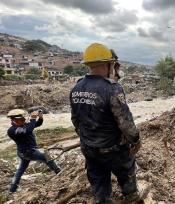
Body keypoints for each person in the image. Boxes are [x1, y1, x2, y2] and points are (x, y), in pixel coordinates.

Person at [70, 43, 145, 203]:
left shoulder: (76, 88)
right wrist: (136, 140)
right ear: (109, 64)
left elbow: (76, 120)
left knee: (99, 184)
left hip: (89, 149)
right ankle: (131, 198)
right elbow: (125, 122)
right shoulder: (112, 89)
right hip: (113, 150)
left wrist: (88, 139)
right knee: (126, 173)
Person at [7, 109, 61, 193]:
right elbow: (28, 130)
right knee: (47, 157)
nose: (24, 120)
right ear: (14, 120)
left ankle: (12, 189)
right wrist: (32, 118)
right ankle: (59, 173)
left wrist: (40, 118)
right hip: (28, 152)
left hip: (23, 152)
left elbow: (36, 124)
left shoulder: (23, 125)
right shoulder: (12, 130)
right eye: (21, 119)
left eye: (24, 119)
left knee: (20, 170)